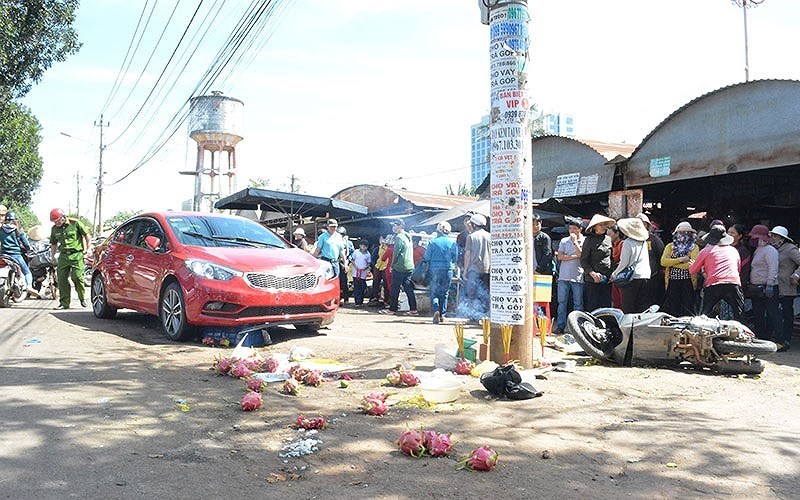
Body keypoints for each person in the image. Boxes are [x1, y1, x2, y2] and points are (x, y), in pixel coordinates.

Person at [689, 225, 743, 321]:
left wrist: (694, 264)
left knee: (704, 316)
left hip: (714, 283)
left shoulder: (705, 251)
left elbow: (692, 270)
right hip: (733, 283)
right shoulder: (734, 250)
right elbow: (738, 269)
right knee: (739, 314)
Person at [49, 208, 90, 309]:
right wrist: (52, 256)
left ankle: (82, 298)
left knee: (77, 277)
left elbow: (86, 236)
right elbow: (53, 244)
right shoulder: (54, 229)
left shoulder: (75, 224)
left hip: (77, 255)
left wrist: (89, 249)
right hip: (63, 256)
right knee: (61, 279)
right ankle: (64, 303)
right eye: (54, 221)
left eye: (57, 221)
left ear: (63, 217)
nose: (56, 223)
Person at [770, 225, 800, 352]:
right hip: (775, 285)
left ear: (782, 238)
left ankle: (785, 340)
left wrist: (796, 275)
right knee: (774, 313)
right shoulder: (772, 249)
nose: (772, 238)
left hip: (787, 286)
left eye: (775, 236)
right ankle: (778, 338)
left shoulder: (790, 249)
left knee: (787, 314)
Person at [747, 225, 779, 342]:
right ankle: (761, 337)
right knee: (758, 314)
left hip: (767, 286)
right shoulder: (758, 250)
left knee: (772, 314)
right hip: (757, 287)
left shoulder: (770, 251)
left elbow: (773, 268)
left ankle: (779, 339)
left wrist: (770, 284)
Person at [611, 218, 651, 314]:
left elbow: (624, 262)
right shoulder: (644, 242)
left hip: (631, 278)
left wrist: (615, 274)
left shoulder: (627, 242)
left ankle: (628, 328)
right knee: (641, 306)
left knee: (629, 307)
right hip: (645, 275)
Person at [660, 221, 699, 316]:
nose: (684, 235)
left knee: (688, 307)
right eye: (681, 233)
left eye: (687, 233)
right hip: (673, 281)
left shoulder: (694, 247)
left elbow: (692, 265)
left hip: (688, 281)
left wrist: (672, 263)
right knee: (673, 307)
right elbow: (663, 262)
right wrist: (681, 260)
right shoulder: (670, 247)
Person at [379, 219, 417, 316]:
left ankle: (392, 309)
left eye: (395, 225)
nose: (393, 228)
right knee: (408, 288)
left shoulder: (399, 237)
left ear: (400, 226)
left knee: (394, 288)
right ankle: (413, 309)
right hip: (409, 266)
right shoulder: (408, 236)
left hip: (400, 266)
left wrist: (392, 265)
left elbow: (396, 253)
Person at [555, 216, 585, 333]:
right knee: (562, 302)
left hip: (577, 276)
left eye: (574, 228)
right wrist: (573, 256)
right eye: (570, 228)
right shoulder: (563, 241)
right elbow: (560, 256)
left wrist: (575, 243)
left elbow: (581, 255)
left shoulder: (584, 240)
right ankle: (560, 326)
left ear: (579, 229)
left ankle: (578, 329)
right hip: (563, 276)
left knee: (578, 304)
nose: (571, 231)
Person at [424, 221, 458, 324]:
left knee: (434, 292)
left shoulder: (432, 242)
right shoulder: (453, 242)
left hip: (434, 269)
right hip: (448, 269)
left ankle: (436, 310)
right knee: (445, 292)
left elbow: (426, 257)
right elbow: (455, 258)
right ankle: (442, 315)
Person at [0, 210, 39, 298]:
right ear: (16, 220)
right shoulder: (18, 230)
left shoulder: (1, 229)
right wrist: (29, 249)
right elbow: (26, 243)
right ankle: (29, 286)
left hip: (2, 255)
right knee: (27, 272)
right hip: (15, 255)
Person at [580, 214, 615, 311]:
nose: (603, 227)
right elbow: (583, 260)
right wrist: (592, 273)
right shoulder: (589, 240)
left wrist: (613, 273)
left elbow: (611, 258)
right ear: (595, 227)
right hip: (592, 279)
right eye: (600, 225)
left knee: (606, 304)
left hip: (606, 277)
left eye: (604, 225)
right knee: (592, 304)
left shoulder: (608, 239)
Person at [462, 213, 491, 321]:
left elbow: (467, 255)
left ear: (474, 225)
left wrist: (465, 271)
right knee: (485, 294)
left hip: (474, 270)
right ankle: (485, 317)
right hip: (488, 270)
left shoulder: (471, 236)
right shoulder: (490, 236)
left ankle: (474, 316)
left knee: (472, 295)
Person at [637, 213, 665, 308]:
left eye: (643, 223)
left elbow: (661, 256)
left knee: (649, 302)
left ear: (647, 225)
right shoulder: (630, 239)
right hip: (635, 278)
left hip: (651, 277)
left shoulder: (654, 240)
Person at [369, 235, 389, 306]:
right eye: (381, 239)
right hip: (377, 267)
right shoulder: (377, 249)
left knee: (386, 284)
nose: (382, 241)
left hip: (386, 267)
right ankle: (374, 297)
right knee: (375, 282)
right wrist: (374, 266)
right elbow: (373, 258)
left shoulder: (389, 248)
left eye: (384, 239)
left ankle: (386, 299)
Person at [337, 226, 355, 304]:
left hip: (344, 263)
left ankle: (346, 298)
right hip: (336, 262)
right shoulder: (335, 241)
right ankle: (338, 298)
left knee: (344, 281)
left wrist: (348, 260)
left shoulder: (349, 243)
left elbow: (352, 252)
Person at [607, 225, 624, 309]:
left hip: (620, 275)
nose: (608, 237)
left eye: (610, 234)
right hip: (613, 275)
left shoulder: (622, 244)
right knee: (615, 299)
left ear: (617, 233)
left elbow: (620, 259)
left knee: (620, 300)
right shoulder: (611, 245)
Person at [351, 239, 372, 306]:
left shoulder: (368, 254)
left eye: (365, 246)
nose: (364, 248)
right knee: (356, 286)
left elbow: (369, 263)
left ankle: (361, 300)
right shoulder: (356, 252)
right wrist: (356, 267)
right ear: (360, 245)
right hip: (355, 272)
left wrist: (365, 268)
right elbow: (352, 260)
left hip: (363, 273)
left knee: (362, 287)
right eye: (363, 246)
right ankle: (357, 301)